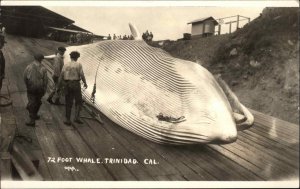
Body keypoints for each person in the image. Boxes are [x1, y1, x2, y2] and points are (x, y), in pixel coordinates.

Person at [58, 51, 88, 125]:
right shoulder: (78, 65)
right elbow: (82, 75)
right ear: (77, 57)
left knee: (68, 102)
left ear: (71, 57)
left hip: (67, 84)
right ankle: (76, 118)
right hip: (76, 84)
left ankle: (68, 120)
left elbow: (61, 76)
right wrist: (85, 83)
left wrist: (58, 86)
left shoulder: (66, 65)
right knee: (78, 101)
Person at [23, 54, 48, 126]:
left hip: (31, 88)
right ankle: (35, 115)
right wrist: (44, 89)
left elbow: (24, 77)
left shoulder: (29, 67)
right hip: (40, 88)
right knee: (37, 102)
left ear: (34, 58)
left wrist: (28, 85)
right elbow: (45, 81)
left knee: (32, 103)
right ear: (41, 59)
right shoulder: (43, 68)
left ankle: (32, 120)